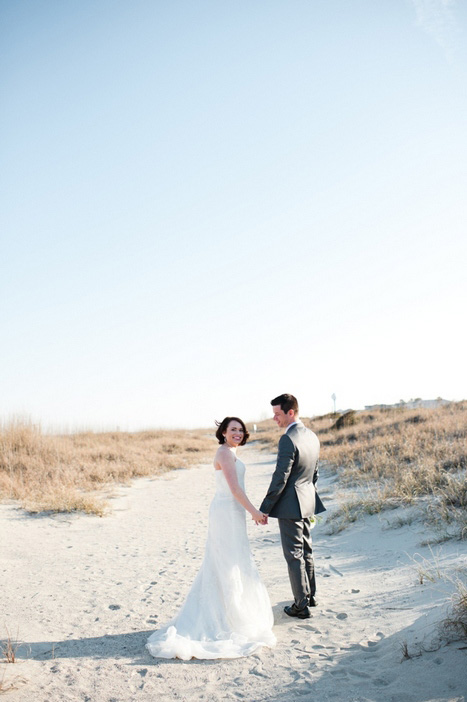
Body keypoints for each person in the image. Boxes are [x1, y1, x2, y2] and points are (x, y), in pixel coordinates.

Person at [146, 416, 276, 660]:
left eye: (241, 429)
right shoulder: (225, 453)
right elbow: (234, 489)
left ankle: (229, 613)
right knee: (227, 563)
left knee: (230, 561)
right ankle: (227, 618)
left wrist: (248, 511)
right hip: (226, 511)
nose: (238, 433)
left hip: (231, 511)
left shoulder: (231, 452)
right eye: (233, 429)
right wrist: (255, 512)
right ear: (224, 432)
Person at [260, 394, 325, 620]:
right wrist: (310, 497)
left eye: (277, 414)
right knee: (306, 550)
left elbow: (281, 477)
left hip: (290, 505)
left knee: (293, 554)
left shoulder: (288, 439)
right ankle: (311, 595)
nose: (274, 418)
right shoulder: (312, 437)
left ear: (291, 412)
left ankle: (300, 605)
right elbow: (315, 473)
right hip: (307, 500)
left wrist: (265, 507)